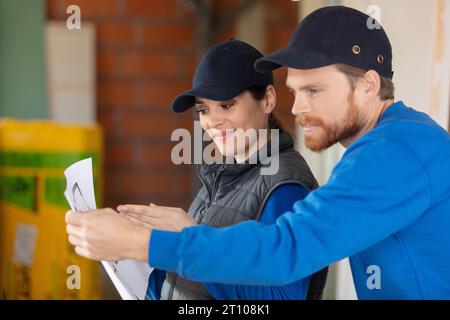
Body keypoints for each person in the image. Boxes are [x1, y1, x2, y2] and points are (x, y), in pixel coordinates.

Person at [66, 6, 450, 299]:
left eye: (314, 90)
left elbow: (286, 250)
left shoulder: (394, 152)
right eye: (294, 91)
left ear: (368, 85)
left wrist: (139, 244)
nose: (297, 109)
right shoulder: (391, 144)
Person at [68, 39, 327, 300]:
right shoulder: (221, 178)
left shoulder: (286, 186)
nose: (213, 121)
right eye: (204, 109)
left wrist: (186, 237)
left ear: (268, 100)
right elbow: (187, 284)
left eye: (227, 105)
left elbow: (280, 297)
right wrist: (130, 252)